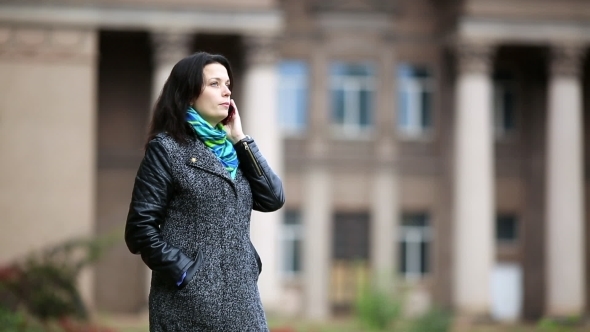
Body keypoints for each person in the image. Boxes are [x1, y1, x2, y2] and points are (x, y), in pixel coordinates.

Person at [124, 51, 285, 331]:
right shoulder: (167, 149)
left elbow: (272, 198)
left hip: (243, 300)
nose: (226, 91)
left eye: (228, 85)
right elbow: (140, 229)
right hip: (187, 305)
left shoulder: (235, 153)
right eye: (215, 84)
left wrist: (240, 139)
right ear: (188, 95)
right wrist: (186, 272)